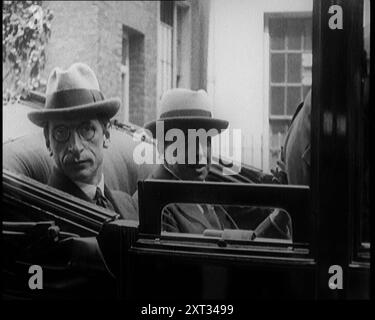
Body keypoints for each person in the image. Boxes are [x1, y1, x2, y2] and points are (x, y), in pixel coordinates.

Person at [27, 62, 137, 220]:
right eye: (61, 132)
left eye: (86, 129)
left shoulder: (129, 205)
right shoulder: (42, 217)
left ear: (106, 134)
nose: (76, 147)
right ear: (47, 140)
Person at [134, 88, 238, 234]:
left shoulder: (205, 191)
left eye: (205, 140)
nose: (200, 154)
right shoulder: (156, 202)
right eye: (188, 142)